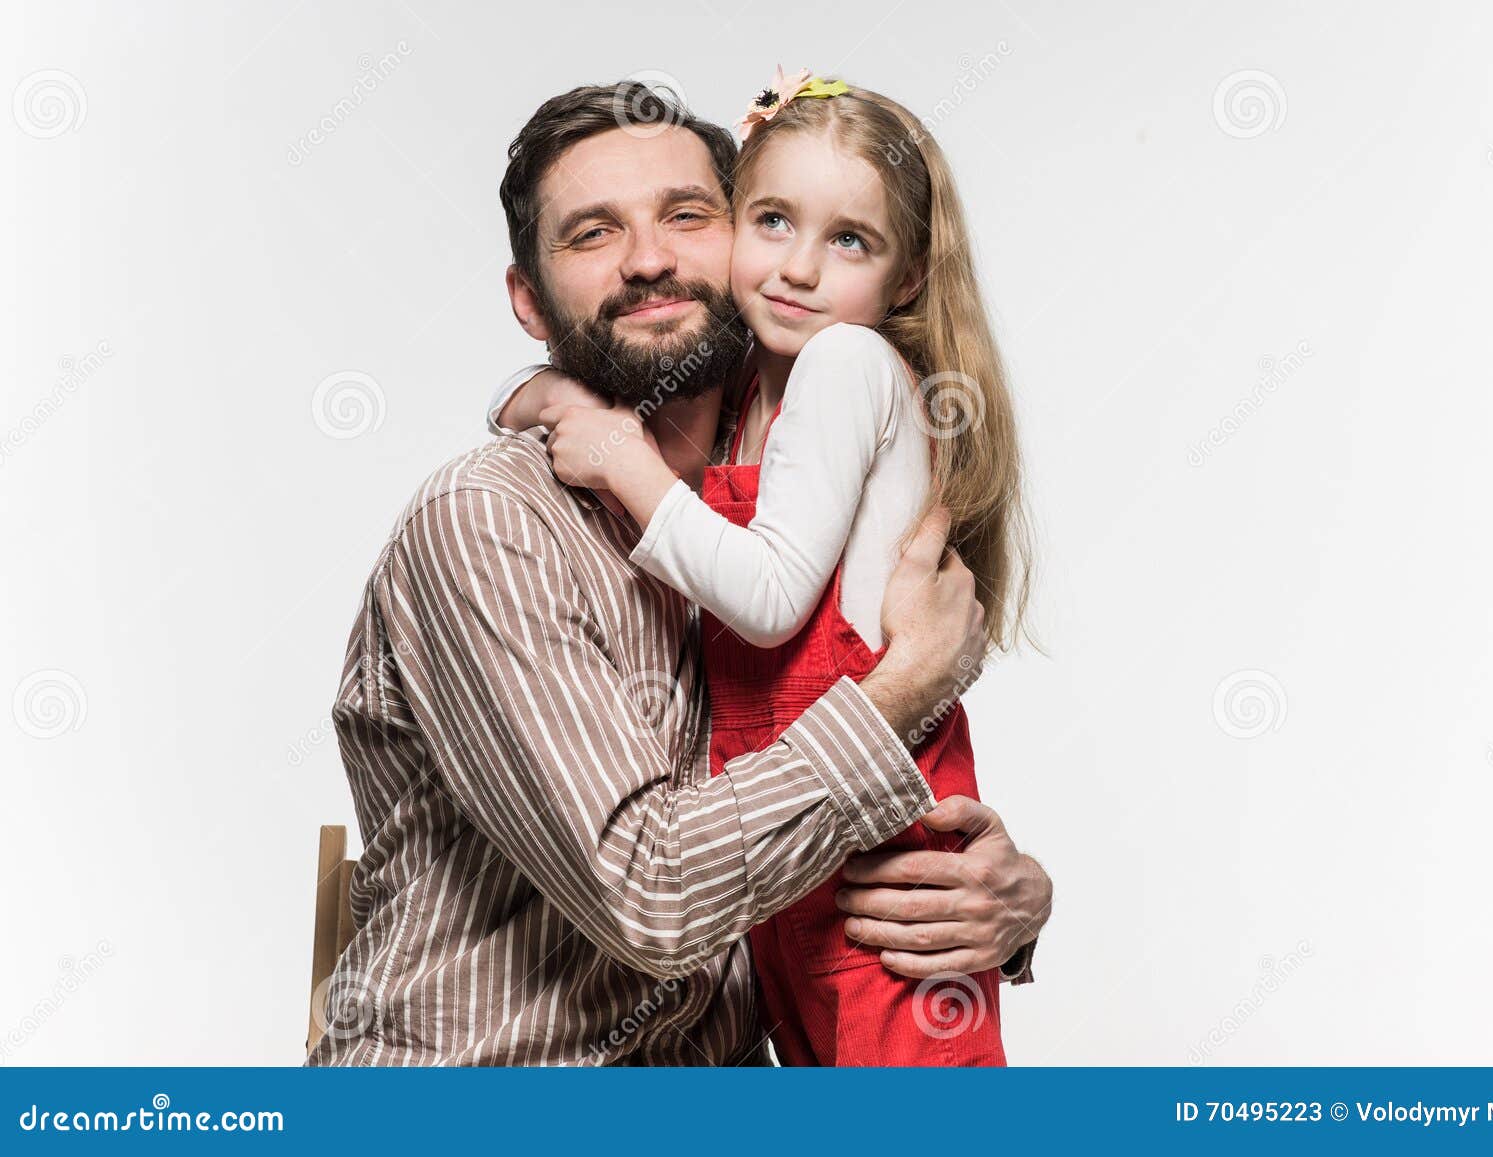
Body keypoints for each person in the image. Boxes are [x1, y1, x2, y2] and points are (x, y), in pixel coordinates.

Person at [306, 80, 1052, 1068]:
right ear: (529, 302)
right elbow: (649, 897)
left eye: (687, 216)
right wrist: (907, 685)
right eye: (591, 234)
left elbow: (798, 831)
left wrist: (1003, 896)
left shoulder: (789, 456)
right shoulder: (491, 526)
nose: (648, 257)